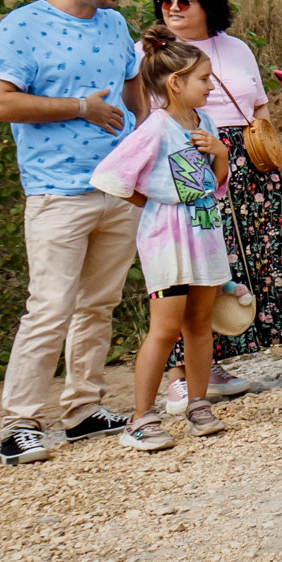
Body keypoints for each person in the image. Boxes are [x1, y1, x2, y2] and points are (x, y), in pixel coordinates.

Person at [0, 0, 153, 465]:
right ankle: (20, 423)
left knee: (98, 305)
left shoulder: (115, 23)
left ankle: (82, 409)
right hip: (56, 191)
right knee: (49, 306)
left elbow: (131, 87)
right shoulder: (23, 27)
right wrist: (79, 107)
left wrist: (148, 134)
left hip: (116, 186)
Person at [90, 37, 232, 454]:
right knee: (166, 327)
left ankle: (198, 403)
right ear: (175, 83)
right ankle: (141, 418)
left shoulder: (206, 124)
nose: (211, 87)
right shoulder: (154, 127)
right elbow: (111, 176)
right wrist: (155, 202)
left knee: (200, 323)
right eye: (204, 79)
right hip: (168, 239)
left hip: (204, 232)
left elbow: (216, 184)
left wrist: (220, 153)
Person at [150, 0, 282, 385]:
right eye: (166, 1)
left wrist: (261, 140)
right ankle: (182, 375)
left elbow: (259, 101)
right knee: (198, 262)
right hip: (192, 158)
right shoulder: (156, 53)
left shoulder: (236, 47)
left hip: (248, 161)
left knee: (255, 256)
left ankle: (227, 358)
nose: (172, 8)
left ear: (207, 5)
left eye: (184, 1)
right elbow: (149, 115)